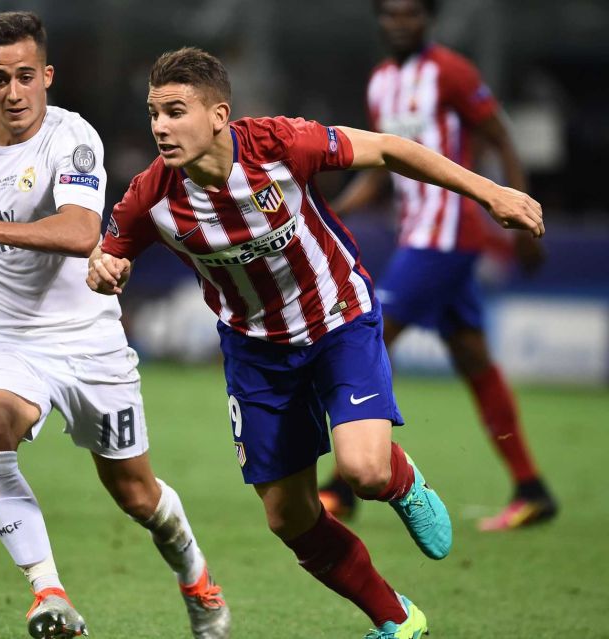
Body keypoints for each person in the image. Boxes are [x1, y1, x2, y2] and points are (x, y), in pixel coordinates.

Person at [87, 47, 543, 638]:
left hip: (337, 319)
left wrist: (491, 193)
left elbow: (390, 149)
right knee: (289, 517)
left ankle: (401, 480)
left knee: (364, 472)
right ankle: (398, 619)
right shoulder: (150, 197)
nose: (160, 127)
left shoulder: (279, 144)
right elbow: (107, 253)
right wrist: (104, 268)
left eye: (176, 112)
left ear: (219, 115)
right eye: (154, 114)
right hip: (255, 353)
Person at [0, 12, 230, 639]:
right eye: (1, 78)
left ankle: (196, 577)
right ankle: (49, 593)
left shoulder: (72, 138)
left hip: (89, 342)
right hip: (3, 340)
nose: (14, 91)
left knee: (137, 495)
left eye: (26, 76)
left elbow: (81, 231)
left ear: (47, 76)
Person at [317, 0, 557, 531]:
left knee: (367, 337)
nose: (398, 23)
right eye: (389, 14)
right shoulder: (381, 82)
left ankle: (342, 486)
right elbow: (381, 164)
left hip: (447, 237)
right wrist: (331, 212)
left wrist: (520, 217)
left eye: (410, 13)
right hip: (417, 236)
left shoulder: (451, 71)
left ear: (429, 18)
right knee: (473, 358)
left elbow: (500, 137)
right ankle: (531, 488)